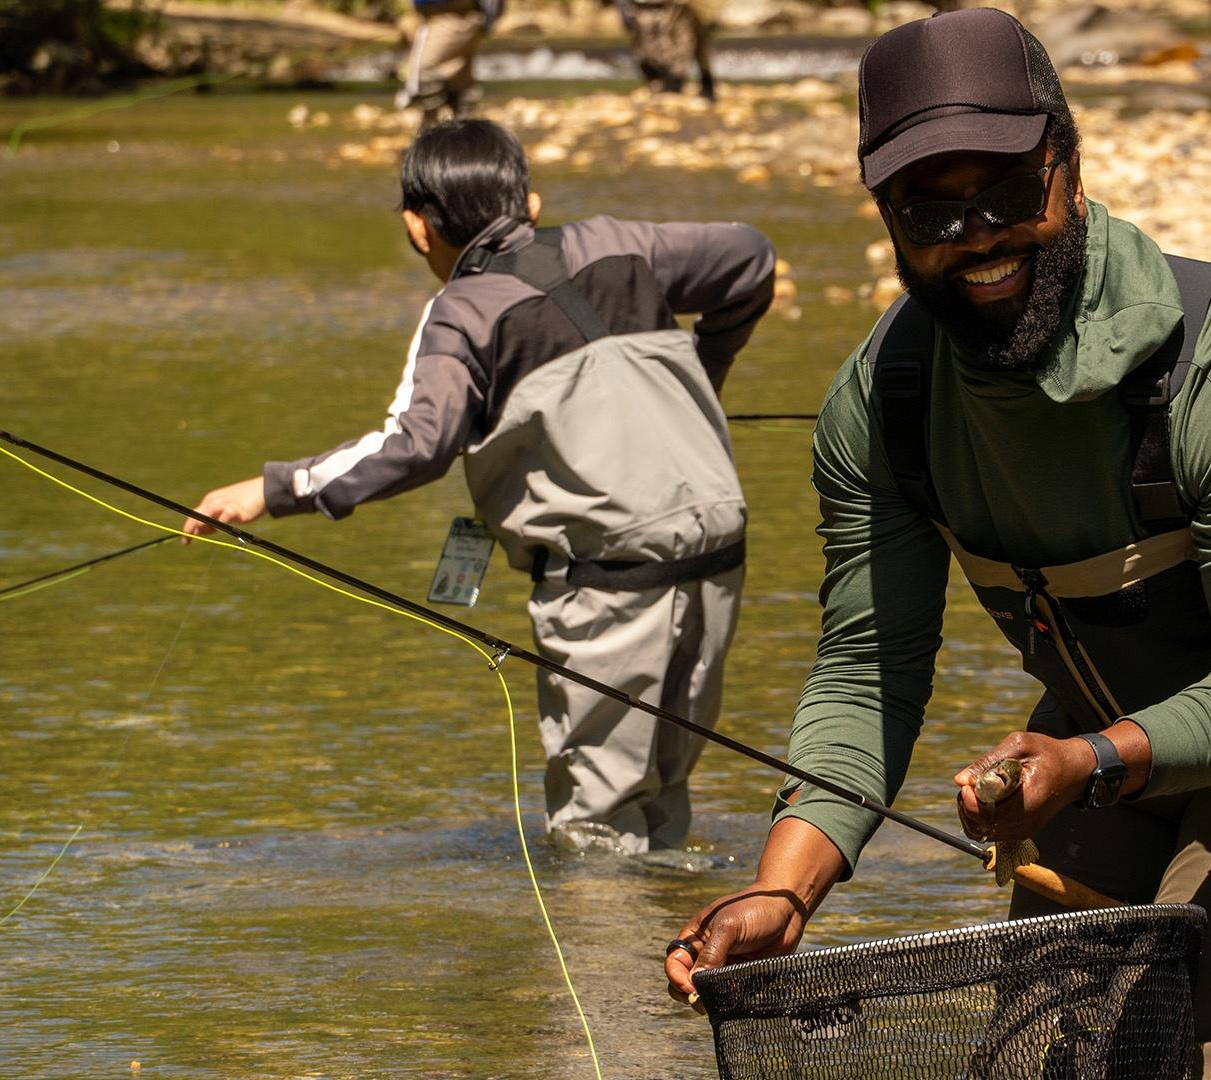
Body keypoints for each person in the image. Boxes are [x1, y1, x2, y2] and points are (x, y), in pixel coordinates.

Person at [664, 10, 1211, 1077]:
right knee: (1033, 1055)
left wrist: (1089, 762)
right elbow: (868, 671)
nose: (978, 240)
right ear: (887, 216)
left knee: (1193, 1049)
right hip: (1114, 717)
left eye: (1008, 194)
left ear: (1068, 166)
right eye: (932, 211)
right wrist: (782, 891)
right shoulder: (880, 405)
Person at [185, 119, 776, 855]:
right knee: (663, 801)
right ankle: (681, 951)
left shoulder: (459, 313)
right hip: (718, 557)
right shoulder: (623, 243)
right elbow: (751, 259)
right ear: (529, 203)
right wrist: (702, 371)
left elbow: (416, 444)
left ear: (415, 227)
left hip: (607, 587)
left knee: (597, 833)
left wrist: (275, 490)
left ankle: (608, 967)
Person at [396, 0, 506, 126]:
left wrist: (489, 18)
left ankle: (434, 127)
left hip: (456, 15)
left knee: (427, 71)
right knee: (458, 80)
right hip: (436, 16)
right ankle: (462, 129)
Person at [611, 0, 716, 101]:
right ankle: (664, 85)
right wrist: (624, 10)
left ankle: (694, 86)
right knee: (648, 50)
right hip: (648, 10)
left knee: (683, 45)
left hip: (678, 9)